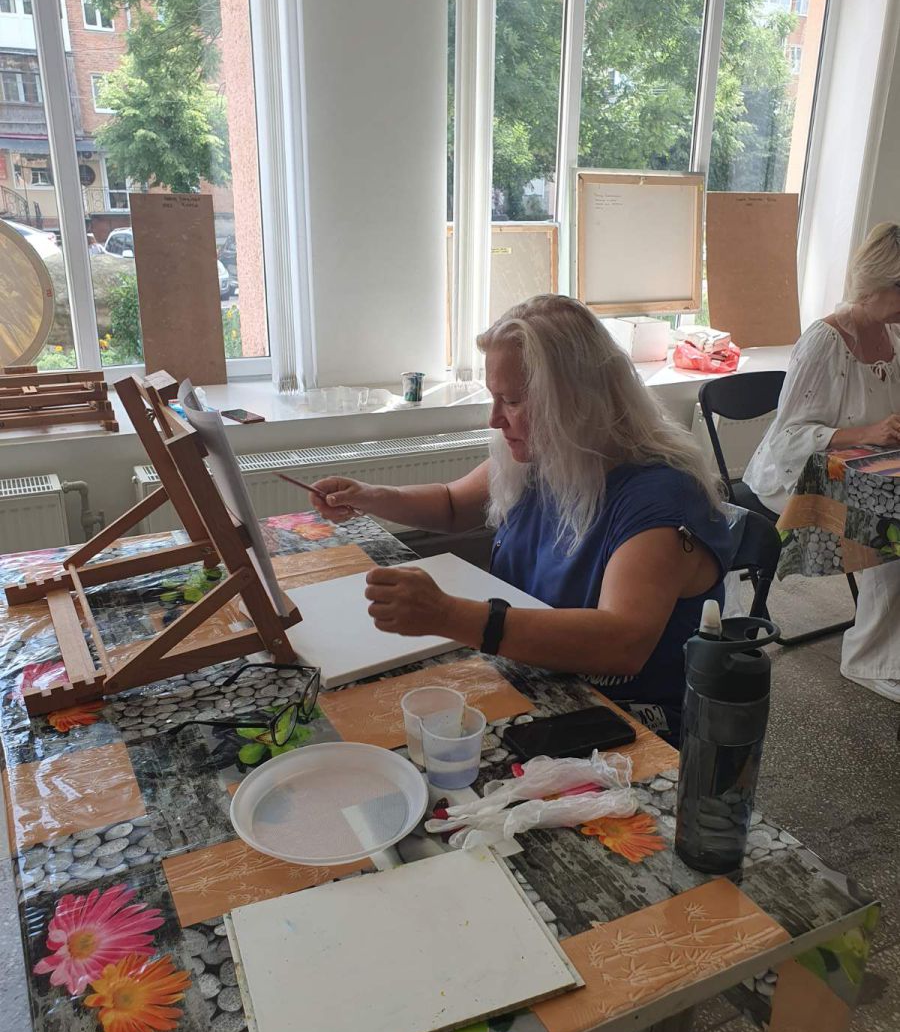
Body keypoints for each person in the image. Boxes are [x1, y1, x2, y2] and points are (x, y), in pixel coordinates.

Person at [310, 294, 735, 744]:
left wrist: (447, 614)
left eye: (512, 401)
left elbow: (621, 642)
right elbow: (452, 504)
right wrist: (372, 496)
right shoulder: (548, 457)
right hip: (533, 676)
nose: (495, 419)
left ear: (579, 401)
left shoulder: (660, 499)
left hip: (625, 720)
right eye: (494, 398)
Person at [744, 222, 900, 702]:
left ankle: (889, 645)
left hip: (865, 470)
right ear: (875, 284)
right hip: (797, 476)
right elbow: (788, 438)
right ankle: (868, 659)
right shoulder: (824, 341)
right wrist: (867, 433)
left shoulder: (894, 334)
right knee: (890, 531)